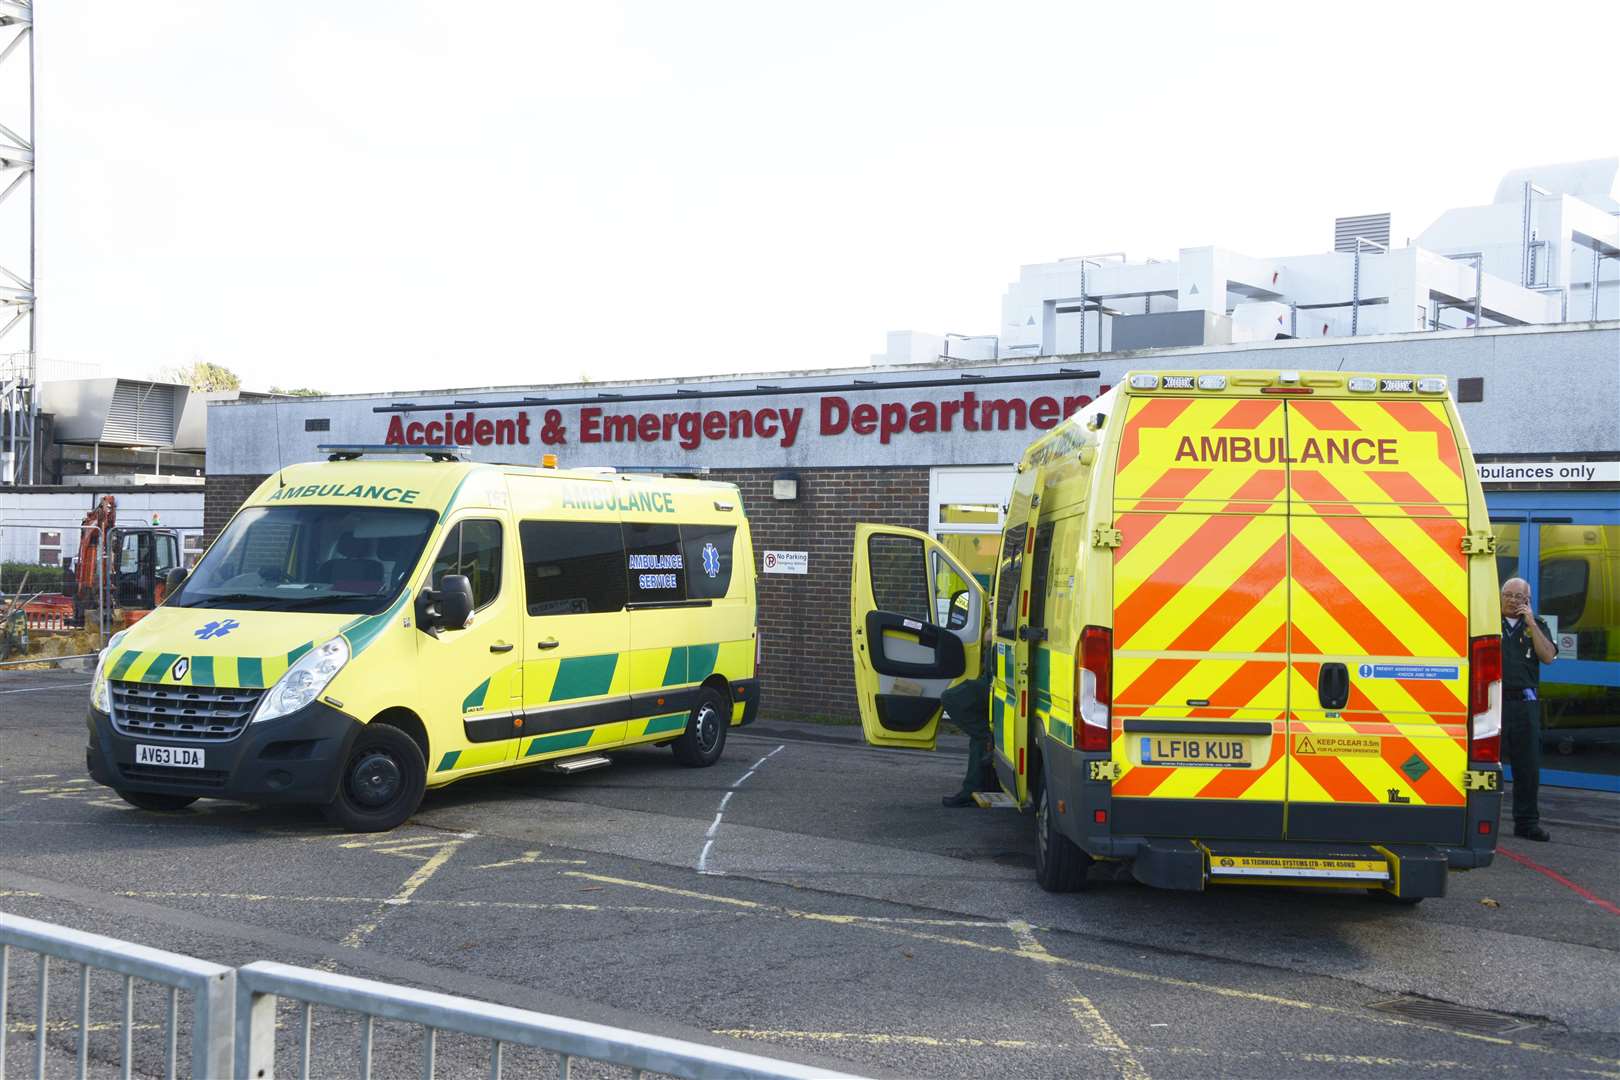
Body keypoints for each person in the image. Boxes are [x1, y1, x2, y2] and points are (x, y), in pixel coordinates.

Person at [1500, 577, 1558, 842]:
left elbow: (1548, 657)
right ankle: (1479, 821)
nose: (1512, 600)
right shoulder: (1486, 623)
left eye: (1519, 597)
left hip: (1525, 706)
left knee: (1528, 767)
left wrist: (1532, 622)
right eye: (1508, 594)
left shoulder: (1537, 626)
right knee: (1486, 767)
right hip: (1492, 704)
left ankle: (1526, 823)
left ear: (1528, 601)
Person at [939, 629, 997, 808]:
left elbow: (990, 634)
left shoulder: (1002, 608)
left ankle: (987, 736)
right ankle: (975, 788)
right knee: (977, 739)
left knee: (950, 698)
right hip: (992, 680)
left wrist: (992, 632)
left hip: (994, 684)